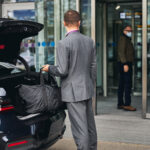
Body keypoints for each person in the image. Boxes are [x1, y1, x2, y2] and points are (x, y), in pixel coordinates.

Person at [42, 10, 97, 150]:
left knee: (80, 129)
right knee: (90, 126)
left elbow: (62, 70)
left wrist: (49, 68)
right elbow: (93, 67)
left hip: (73, 93)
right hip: (87, 89)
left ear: (64, 23)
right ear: (79, 23)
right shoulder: (89, 41)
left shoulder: (63, 43)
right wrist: (90, 84)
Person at [117, 25, 136, 111]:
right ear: (124, 31)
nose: (130, 32)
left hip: (125, 63)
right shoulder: (123, 39)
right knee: (127, 84)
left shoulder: (127, 39)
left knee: (122, 84)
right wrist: (125, 64)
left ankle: (120, 103)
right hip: (124, 64)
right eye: (128, 30)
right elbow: (121, 52)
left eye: (131, 31)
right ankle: (127, 104)